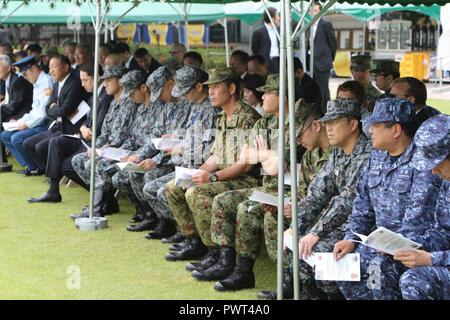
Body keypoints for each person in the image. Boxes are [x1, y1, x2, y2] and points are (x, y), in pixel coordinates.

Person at [334, 98, 441, 300]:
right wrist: (350, 238)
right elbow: (361, 205)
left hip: (411, 246)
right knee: (347, 267)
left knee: (378, 269)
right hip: (379, 243)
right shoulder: (377, 157)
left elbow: (417, 220)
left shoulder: (421, 163)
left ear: (396, 130)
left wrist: (388, 246)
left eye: (376, 125)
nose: (370, 130)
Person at [165, 68, 261, 262]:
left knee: (196, 193)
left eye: (216, 87)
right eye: (209, 87)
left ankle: (215, 251)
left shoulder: (247, 117)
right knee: (175, 186)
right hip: (226, 175)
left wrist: (212, 177)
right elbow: (216, 156)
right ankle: (193, 241)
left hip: (245, 179)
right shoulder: (222, 117)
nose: (210, 92)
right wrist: (195, 173)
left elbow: (246, 166)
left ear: (232, 88)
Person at [287, 98, 372, 299]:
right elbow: (315, 195)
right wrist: (295, 226)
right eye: (327, 123)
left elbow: (347, 200)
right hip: (340, 223)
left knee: (318, 251)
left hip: (361, 227)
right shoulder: (338, 155)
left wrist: (315, 232)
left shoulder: (367, 154)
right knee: (297, 243)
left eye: (334, 123)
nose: (328, 128)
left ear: (353, 125)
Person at [136, 65, 218, 239]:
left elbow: (207, 149)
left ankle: (192, 235)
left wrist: (179, 148)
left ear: (198, 87)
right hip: (185, 163)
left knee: (160, 190)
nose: (183, 96)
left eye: (186, 91)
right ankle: (182, 230)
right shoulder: (196, 105)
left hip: (200, 167)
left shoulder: (210, 109)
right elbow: (192, 138)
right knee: (152, 186)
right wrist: (176, 139)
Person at [29, 62, 113, 203]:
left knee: (67, 166)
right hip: (84, 135)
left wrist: (87, 129)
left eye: (85, 80)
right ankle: (53, 191)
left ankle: (106, 199)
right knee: (55, 142)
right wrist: (84, 127)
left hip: (96, 140)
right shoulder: (93, 96)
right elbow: (86, 118)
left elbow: (100, 124)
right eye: (81, 80)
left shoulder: (106, 96)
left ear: (97, 78)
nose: (82, 84)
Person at [70, 66, 137, 217]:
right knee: (78, 160)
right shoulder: (114, 102)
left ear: (120, 81)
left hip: (124, 150)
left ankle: (97, 208)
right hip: (109, 149)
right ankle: (107, 202)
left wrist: (100, 150)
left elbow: (120, 137)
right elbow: (105, 133)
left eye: (108, 80)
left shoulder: (129, 103)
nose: (105, 84)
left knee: (94, 163)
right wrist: (95, 146)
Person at [397, 114, 450, 300]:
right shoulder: (447, 180)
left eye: (438, 164)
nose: (434, 171)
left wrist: (430, 259)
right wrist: (405, 244)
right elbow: (443, 231)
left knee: (415, 281)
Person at [23, 55, 84, 180]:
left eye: (54, 66)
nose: (51, 70)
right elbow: (47, 109)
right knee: (28, 143)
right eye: (49, 67)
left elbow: (64, 111)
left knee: (41, 147)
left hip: (68, 129)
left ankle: (56, 173)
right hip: (56, 126)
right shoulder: (57, 84)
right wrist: (54, 109)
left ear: (66, 67)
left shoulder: (74, 84)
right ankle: (49, 169)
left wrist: (54, 109)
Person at [0, 56, 53, 175]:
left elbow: (43, 113)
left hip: (45, 123)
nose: (24, 77)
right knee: (5, 135)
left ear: (33, 69)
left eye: (25, 74)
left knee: (16, 138)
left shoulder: (46, 81)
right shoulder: (36, 83)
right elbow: (34, 110)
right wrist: (20, 122)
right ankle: (30, 165)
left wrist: (26, 124)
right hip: (36, 122)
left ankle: (37, 167)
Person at [307, 2, 337, 113]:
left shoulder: (325, 24)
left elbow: (333, 43)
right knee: (313, 87)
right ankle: (315, 110)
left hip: (323, 61)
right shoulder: (308, 24)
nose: (313, 13)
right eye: (312, 11)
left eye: (316, 11)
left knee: (323, 88)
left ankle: (326, 111)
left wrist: (331, 58)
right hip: (310, 60)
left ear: (320, 11)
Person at [251, 7, 280, 73]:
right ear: (272, 18)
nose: (279, 18)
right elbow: (255, 50)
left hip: (278, 62)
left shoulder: (280, 31)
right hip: (265, 63)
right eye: (278, 15)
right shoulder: (258, 32)